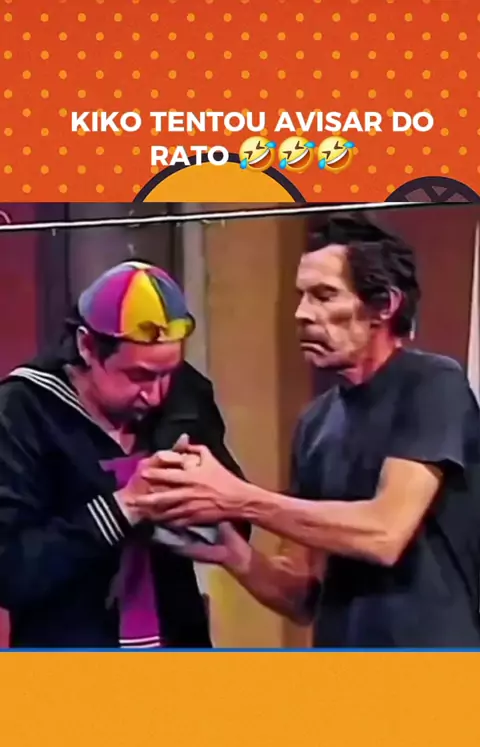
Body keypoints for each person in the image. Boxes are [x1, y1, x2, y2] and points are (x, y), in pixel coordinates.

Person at [128, 213, 480, 649]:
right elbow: (302, 597)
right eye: (301, 296)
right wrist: (228, 548)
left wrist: (237, 497)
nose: (302, 313)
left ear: (383, 306)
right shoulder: (316, 422)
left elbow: (385, 532)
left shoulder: (431, 385)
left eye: (324, 295)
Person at [0, 261, 248, 649]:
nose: (156, 394)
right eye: (139, 376)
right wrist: (124, 507)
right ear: (87, 346)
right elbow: (11, 572)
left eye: (168, 373)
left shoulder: (185, 395)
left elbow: (235, 526)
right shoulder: (22, 411)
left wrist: (207, 503)